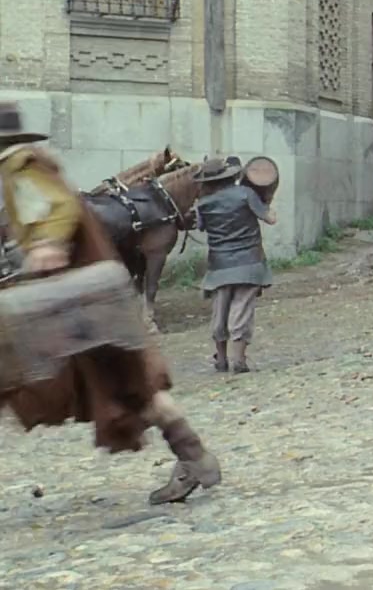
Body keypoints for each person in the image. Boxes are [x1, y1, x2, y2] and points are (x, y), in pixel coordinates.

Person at [0, 102, 221, 505]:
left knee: (121, 385)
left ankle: (194, 458)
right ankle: (194, 456)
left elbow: (60, 208)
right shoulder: (32, 164)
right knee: (130, 385)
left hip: (78, 302)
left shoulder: (20, 166)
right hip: (88, 300)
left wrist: (48, 243)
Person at [193, 157, 277, 373]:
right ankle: (239, 360)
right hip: (249, 262)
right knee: (242, 308)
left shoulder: (203, 204)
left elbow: (200, 226)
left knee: (219, 311)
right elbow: (270, 219)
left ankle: (221, 360)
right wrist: (267, 201)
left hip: (219, 265)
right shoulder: (246, 194)